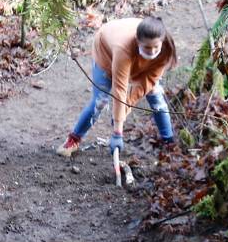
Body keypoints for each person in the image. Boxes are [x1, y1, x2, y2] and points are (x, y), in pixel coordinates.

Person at [56, 16, 178, 157]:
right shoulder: (123, 48)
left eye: (155, 47)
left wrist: (124, 109)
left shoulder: (165, 49)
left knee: (156, 95)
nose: (152, 51)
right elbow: (119, 89)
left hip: (137, 59)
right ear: (138, 42)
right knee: (100, 101)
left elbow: (147, 83)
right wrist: (117, 133)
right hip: (106, 53)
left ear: (161, 42)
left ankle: (169, 142)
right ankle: (74, 139)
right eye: (147, 47)